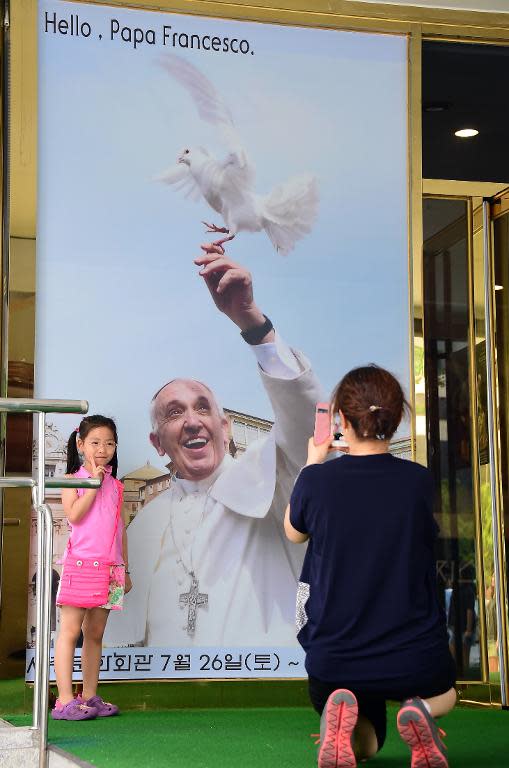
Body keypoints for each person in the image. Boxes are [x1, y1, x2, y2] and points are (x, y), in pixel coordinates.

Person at [104, 244, 323, 647]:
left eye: (202, 408)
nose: (191, 421)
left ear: (224, 428)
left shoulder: (269, 482)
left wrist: (252, 323)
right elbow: (119, 610)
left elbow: (308, 426)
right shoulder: (144, 524)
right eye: (174, 413)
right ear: (157, 444)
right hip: (167, 692)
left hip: (265, 684)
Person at [285, 365, 456, 768]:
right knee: (445, 691)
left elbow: (293, 533)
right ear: (395, 419)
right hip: (414, 656)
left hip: (335, 658)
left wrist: (312, 464)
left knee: (365, 745)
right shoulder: (419, 482)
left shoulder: (318, 482)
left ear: (341, 420)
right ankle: (422, 712)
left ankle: (338, 717)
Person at [52, 415, 132, 721]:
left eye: (109, 443)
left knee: (95, 634)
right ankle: (64, 701)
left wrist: (126, 568)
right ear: (81, 444)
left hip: (111, 568)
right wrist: (94, 484)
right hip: (81, 565)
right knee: (70, 633)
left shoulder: (118, 486)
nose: (103, 449)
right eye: (96, 442)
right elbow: (74, 516)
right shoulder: (72, 481)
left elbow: (120, 528)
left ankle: (89, 696)